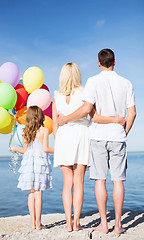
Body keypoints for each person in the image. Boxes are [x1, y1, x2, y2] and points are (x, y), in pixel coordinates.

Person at [58, 50, 136, 234]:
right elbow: (132, 113)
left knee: (100, 180)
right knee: (118, 181)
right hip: (118, 136)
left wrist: (65, 119)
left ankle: (103, 224)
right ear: (115, 62)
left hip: (98, 136)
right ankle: (118, 225)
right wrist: (123, 131)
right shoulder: (126, 83)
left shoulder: (93, 81)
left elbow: (87, 109)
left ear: (99, 63)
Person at [10, 106, 54, 230]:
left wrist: (15, 148)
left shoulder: (25, 131)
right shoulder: (44, 130)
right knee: (38, 193)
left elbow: (24, 150)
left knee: (31, 193)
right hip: (40, 163)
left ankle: (33, 224)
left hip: (28, 164)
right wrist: (58, 151)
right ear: (41, 117)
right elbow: (45, 149)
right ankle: (39, 224)